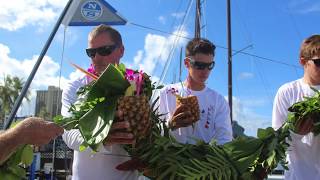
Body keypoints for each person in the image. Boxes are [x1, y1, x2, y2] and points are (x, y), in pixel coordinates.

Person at [61, 24, 138, 180]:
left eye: (104, 50)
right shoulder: (76, 87)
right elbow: (67, 132)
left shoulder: (138, 85)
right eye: (91, 52)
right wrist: (102, 138)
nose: (96, 57)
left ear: (121, 51)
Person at [159, 38, 233, 145]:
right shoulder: (166, 93)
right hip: (168, 158)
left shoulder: (218, 100)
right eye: (200, 65)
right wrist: (169, 124)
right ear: (186, 63)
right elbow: (152, 131)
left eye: (210, 65)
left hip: (203, 159)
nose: (205, 71)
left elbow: (224, 139)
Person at [272, 34, 320, 180]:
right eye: (319, 62)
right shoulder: (287, 92)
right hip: (297, 175)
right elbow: (275, 141)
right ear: (303, 61)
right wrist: (296, 134)